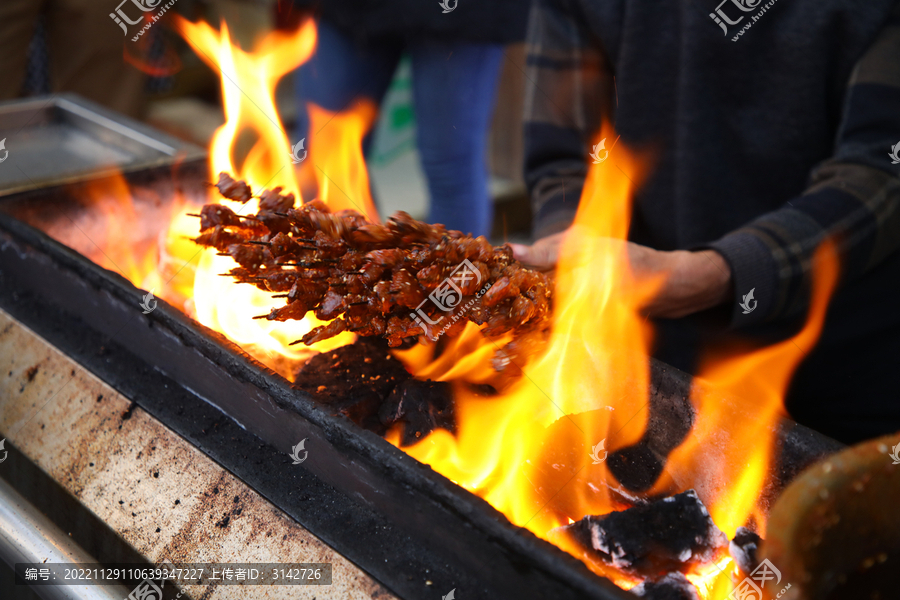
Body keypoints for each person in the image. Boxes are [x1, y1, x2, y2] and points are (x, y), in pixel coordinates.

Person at [512, 0, 900, 445]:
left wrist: (716, 273)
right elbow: (564, 148)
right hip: (659, 359)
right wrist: (575, 236)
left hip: (846, 358)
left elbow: (881, 169)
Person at [286, 0, 529, 238]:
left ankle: (452, 277)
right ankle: (349, 273)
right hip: (347, 10)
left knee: (450, 166)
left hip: (461, 15)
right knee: (321, 154)